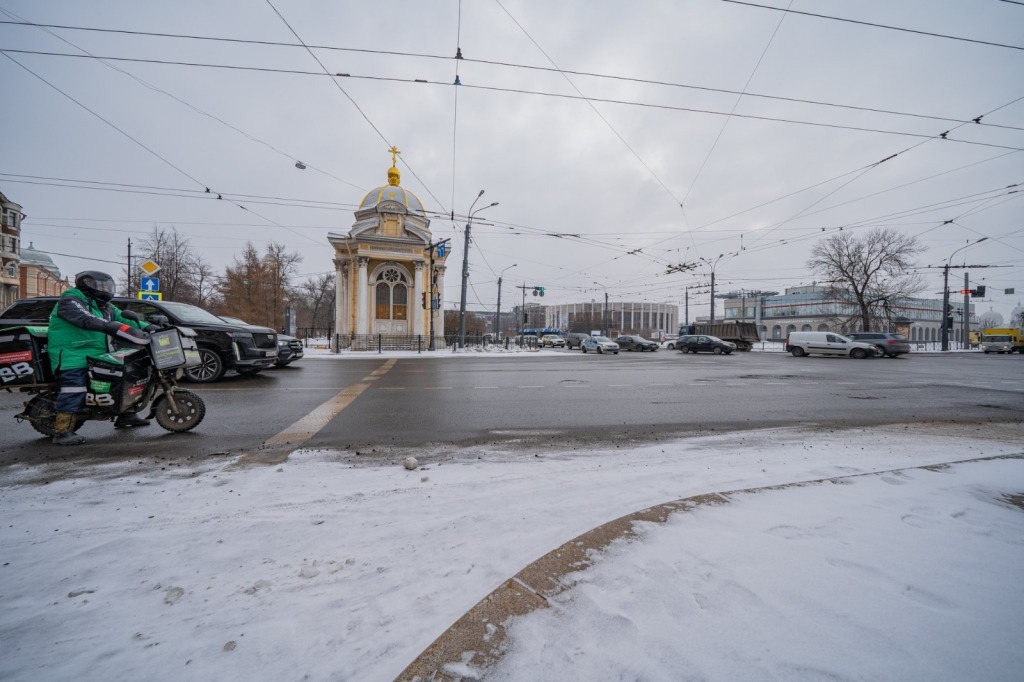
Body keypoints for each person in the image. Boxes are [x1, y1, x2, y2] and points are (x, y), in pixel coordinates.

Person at [48, 271, 152, 446]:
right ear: (86, 284)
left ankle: (126, 415)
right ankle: (62, 432)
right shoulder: (70, 300)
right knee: (74, 390)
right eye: (101, 285)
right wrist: (109, 326)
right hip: (73, 354)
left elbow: (124, 319)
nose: (105, 289)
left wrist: (151, 326)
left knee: (124, 379)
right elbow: (85, 318)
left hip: (98, 354)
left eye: (107, 286)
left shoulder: (105, 305)